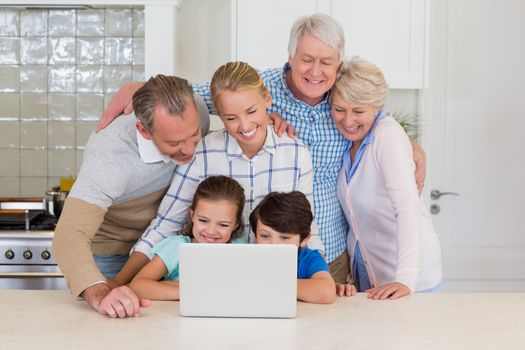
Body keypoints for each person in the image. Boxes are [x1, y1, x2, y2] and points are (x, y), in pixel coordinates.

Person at [97, 13, 427, 284]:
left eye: (326, 62)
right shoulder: (259, 87)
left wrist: (407, 143)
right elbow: (196, 95)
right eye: (306, 59)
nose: (315, 71)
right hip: (240, 252)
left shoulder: (343, 100)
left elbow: (372, 117)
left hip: (325, 252)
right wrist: (142, 87)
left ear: (338, 63)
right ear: (290, 57)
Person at [116, 61, 322, 288]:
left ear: (267, 99)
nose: (244, 125)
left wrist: (323, 277)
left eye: (252, 111)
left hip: (276, 281)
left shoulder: (296, 152)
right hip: (216, 280)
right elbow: (165, 224)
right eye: (231, 118)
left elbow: (307, 226)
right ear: (219, 115)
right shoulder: (203, 152)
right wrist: (117, 284)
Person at [52, 74, 211, 318]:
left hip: (166, 248)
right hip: (113, 254)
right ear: (143, 130)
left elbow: (235, 98)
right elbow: (69, 236)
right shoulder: (109, 156)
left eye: (194, 135)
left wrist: (269, 118)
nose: (189, 150)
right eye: (175, 142)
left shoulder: (195, 110)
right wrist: (99, 292)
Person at [333, 57, 442, 300]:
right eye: (339, 109)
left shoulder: (388, 136)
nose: (347, 121)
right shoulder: (344, 139)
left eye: (358, 111)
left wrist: (406, 278)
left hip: (410, 279)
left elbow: (407, 208)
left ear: (377, 107)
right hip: (372, 276)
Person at [129, 176, 245, 300]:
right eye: (203, 220)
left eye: (223, 225)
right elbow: (137, 286)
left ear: (236, 225)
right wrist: (194, 292)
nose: (211, 231)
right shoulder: (176, 247)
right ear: (192, 215)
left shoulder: (240, 248)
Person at [250, 191, 339, 304]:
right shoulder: (249, 257)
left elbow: (327, 292)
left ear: (304, 239)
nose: (274, 244)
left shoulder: (308, 259)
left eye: (285, 237)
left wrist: (273, 285)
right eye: (265, 236)